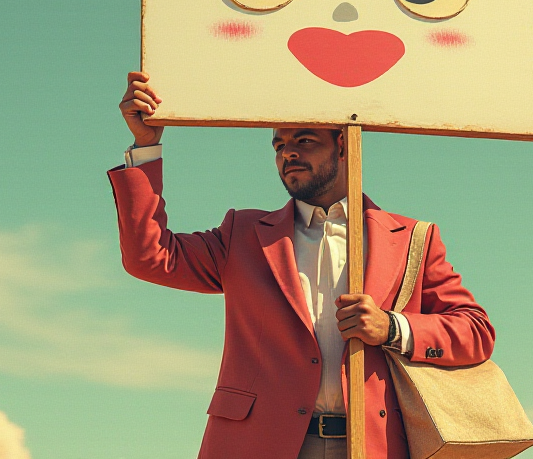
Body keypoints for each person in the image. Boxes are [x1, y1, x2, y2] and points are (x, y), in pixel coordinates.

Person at [108, 72, 495, 459]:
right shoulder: (242, 235)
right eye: (279, 145)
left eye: (304, 141)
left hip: (374, 445)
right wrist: (146, 147)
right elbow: (150, 257)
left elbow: (476, 331)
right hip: (261, 443)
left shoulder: (412, 238)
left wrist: (391, 326)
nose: (287, 153)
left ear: (343, 146)